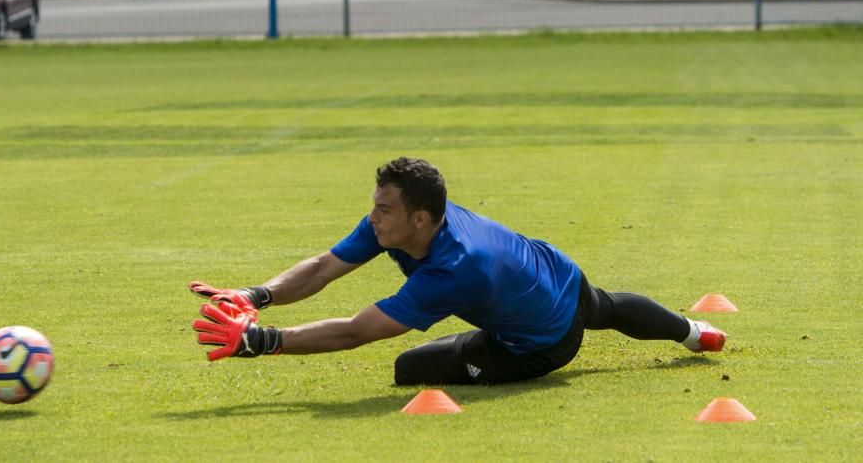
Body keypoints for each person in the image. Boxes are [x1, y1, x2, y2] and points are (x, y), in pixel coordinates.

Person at [190, 157, 727, 385]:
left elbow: (357, 331)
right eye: (375, 205)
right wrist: (255, 294)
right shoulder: (406, 222)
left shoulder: (453, 271)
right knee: (603, 306)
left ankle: (494, 338)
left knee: (409, 367)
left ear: (419, 218)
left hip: (541, 344)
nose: (373, 216)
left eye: (384, 209)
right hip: (558, 271)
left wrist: (258, 342)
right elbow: (325, 267)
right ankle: (695, 333)